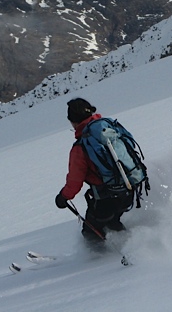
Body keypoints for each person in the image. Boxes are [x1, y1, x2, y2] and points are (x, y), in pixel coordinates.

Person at [55, 98, 133, 243]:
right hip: (129, 188)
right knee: (112, 222)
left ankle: (96, 262)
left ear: (73, 121)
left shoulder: (81, 147)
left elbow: (75, 181)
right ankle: (134, 244)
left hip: (106, 197)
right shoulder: (109, 129)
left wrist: (63, 197)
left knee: (91, 232)